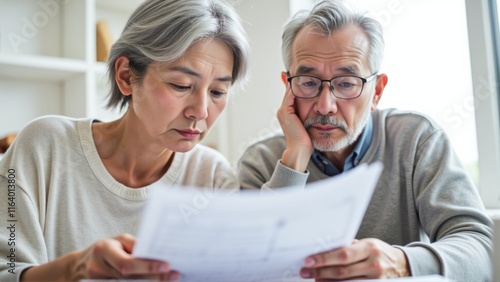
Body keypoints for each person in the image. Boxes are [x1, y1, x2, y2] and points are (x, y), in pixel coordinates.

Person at [237, 0, 493, 280]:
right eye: (308, 83)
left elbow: (479, 251)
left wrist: (402, 262)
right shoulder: (260, 162)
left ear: (377, 92)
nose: (325, 106)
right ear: (288, 86)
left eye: (346, 83)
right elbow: (251, 268)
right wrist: (295, 158)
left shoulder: (417, 140)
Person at [0, 0, 249, 280]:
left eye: (217, 92)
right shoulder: (44, 146)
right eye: (181, 85)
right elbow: (6, 271)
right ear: (127, 76)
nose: (201, 111)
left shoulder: (213, 177)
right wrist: (74, 268)